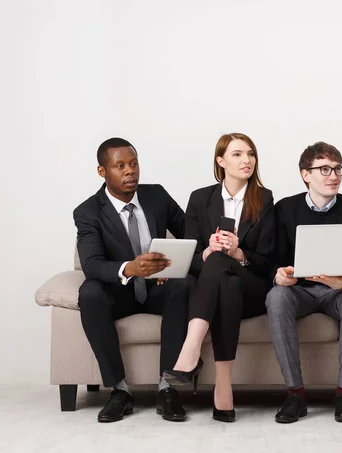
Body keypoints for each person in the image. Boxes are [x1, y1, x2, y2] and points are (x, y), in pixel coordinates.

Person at [74, 138, 193, 422]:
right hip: (120, 292)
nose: (130, 171)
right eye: (120, 166)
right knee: (89, 293)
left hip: (157, 288)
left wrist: (171, 266)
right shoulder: (88, 212)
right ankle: (119, 390)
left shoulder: (157, 196)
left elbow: (191, 233)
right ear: (103, 171)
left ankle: (168, 388)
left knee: (185, 283)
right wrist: (130, 268)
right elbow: (92, 265)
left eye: (134, 163)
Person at [163, 133, 275, 422]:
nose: (246, 160)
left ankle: (191, 349)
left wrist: (238, 252)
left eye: (250, 154)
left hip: (253, 286)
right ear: (221, 161)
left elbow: (267, 262)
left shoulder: (264, 199)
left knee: (226, 265)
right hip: (224, 288)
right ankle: (223, 387)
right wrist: (207, 251)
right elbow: (189, 256)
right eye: (237, 154)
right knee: (224, 275)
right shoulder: (200, 199)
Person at [265, 142, 342, 424]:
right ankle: (295, 394)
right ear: (305, 174)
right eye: (324, 169)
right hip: (299, 290)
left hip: (338, 292)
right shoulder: (284, 209)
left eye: (337, 169)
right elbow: (272, 259)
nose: (333, 175)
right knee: (276, 296)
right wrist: (280, 274)